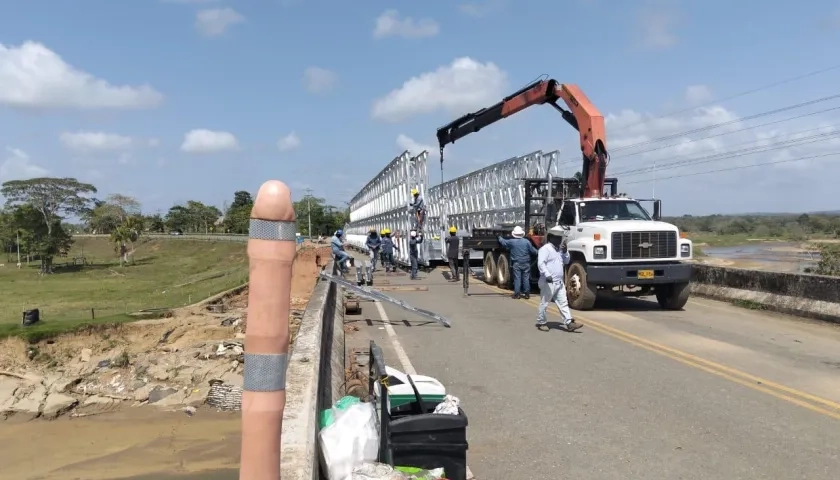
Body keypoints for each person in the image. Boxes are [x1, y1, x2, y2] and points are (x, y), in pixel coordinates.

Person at [536, 225, 584, 331]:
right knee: (545, 302)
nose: (559, 240)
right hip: (548, 281)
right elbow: (541, 264)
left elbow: (566, 261)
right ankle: (541, 322)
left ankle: (569, 322)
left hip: (559, 282)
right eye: (557, 238)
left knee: (563, 303)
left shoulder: (559, 250)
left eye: (560, 238)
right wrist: (547, 274)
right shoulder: (545, 249)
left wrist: (565, 252)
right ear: (551, 238)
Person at [497, 226, 538, 299]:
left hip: (517, 263)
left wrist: (499, 237)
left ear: (514, 234)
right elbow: (533, 251)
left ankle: (517, 294)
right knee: (526, 278)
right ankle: (527, 294)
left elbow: (503, 242)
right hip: (526, 263)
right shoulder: (526, 242)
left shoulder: (512, 242)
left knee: (517, 278)